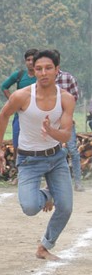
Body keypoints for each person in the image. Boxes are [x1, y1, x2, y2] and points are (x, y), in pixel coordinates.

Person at [0, 49, 74, 261]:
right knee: (30, 208)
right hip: (29, 159)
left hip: (56, 158)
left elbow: (65, 134)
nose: (43, 72)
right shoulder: (21, 96)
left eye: (48, 68)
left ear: (57, 70)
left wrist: (51, 131)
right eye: (38, 68)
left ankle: (45, 246)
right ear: (33, 71)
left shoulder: (66, 98)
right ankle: (48, 194)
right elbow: (2, 117)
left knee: (65, 207)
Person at [52, 50, 84, 192]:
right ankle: (56, 182)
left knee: (72, 150)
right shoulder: (44, 80)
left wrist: (66, 113)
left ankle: (78, 181)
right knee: (54, 151)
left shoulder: (68, 78)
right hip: (51, 121)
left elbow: (75, 97)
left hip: (66, 119)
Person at [1, 49, 37, 151]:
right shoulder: (20, 75)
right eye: (28, 60)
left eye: (33, 59)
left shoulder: (43, 76)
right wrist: (14, 103)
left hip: (37, 116)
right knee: (17, 143)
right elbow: (4, 87)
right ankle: (17, 165)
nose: (30, 62)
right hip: (20, 115)